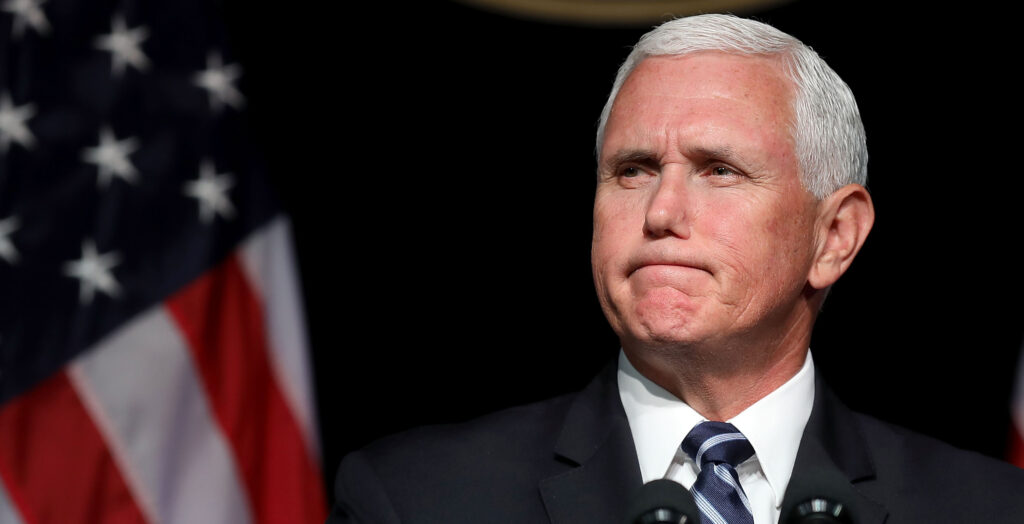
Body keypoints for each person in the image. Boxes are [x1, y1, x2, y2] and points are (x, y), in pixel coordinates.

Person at [330, 14, 1024, 524]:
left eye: (719, 170)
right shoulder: (414, 499)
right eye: (632, 171)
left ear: (833, 237)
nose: (660, 211)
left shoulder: (991, 509)